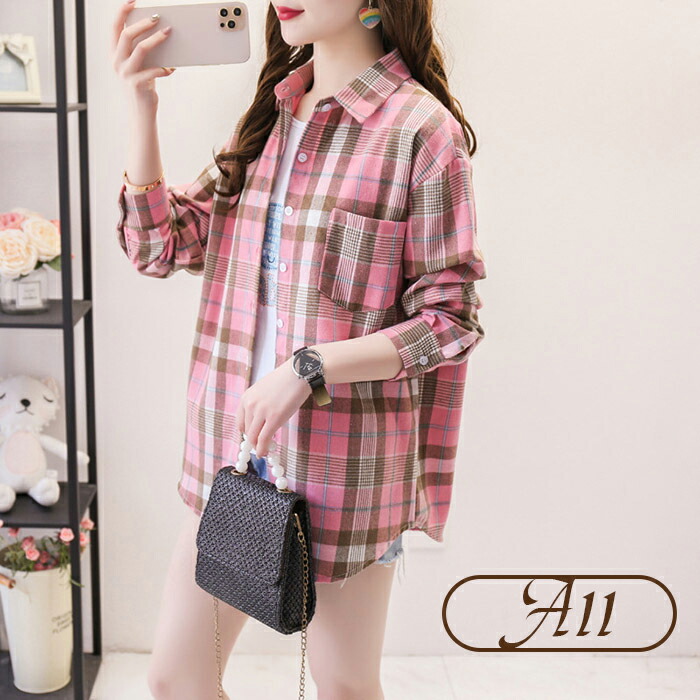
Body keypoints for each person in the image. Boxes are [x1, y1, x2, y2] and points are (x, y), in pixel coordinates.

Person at [111, 0, 486, 698]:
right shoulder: (270, 119)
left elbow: (449, 318)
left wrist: (310, 368)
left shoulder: (420, 131)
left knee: (343, 687)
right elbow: (159, 245)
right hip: (236, 457)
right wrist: (142, 106)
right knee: (177, 680)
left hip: (346, 468)